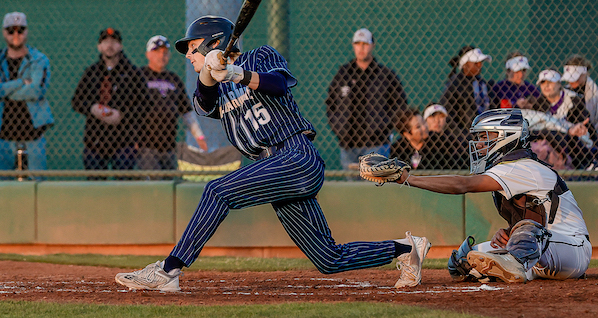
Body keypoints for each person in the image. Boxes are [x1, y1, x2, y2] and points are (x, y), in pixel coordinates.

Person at [115, 16, 429, 291]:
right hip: (272, 167)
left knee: (217, 190)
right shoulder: (216, 82)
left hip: (295, 155)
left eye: (193, 46)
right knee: (328, 258)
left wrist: (237, 73)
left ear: (214, 42)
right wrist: (211, 73)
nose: (188, 55)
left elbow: (279, 84)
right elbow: (203, 104)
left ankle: (168, 270)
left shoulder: (258, 56)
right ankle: (406, 248)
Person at [389, 109, 591, 283]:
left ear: (507, 137)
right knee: (462, 260)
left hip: (572, 249)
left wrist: (409, 178)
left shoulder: (524, 166)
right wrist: (511, 233)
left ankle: (513, 263)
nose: (478, 144)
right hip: (542, 253)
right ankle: (513, 261)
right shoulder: (509, 168)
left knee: (528, 233)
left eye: (486, 137)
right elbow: (539, 216)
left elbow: (462, 184)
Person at [326, 28, 408, 169]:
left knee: (373, 185)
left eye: (365, 44)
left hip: (377, 143)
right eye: (357, 44)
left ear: (372, 46)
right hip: (348, 145)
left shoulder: (386, 75)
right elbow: (331, 104)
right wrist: (339, 128)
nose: (361, 48)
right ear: (353, 46)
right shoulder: (343, 74)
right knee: (352, 188)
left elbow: (399, 104)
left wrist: (384, 128)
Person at [71, 28, 148, 177]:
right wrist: (92, 108)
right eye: (105, 42)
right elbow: (77, 101)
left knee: (122, 185)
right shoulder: (91, 72)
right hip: (95, 140)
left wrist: (122, 115)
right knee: (95, 185)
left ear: (120, 46)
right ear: (99, 47)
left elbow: (145, 104)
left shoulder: (133, 73)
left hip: (124, 140)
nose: (109, 45)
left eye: (114, 42)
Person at [138, 35, 207, 176]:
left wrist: (199, 137)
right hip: (145, 146)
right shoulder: (139, 76)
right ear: (148, 54)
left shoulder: (174, 79)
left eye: (165, 52)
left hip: (169, 146)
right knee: (154, 185)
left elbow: (186, 112)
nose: (161, 56)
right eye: (157, 52)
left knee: (170, 183)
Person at [0, 12, 54, 176]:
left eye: (20, 30)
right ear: (4, 32)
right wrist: (21, 82)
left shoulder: (39, 60)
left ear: (26, 31)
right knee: (3, 189)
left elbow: (36, 90)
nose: (16, 35)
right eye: (11, 31)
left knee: (37, 186)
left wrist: (4, 91)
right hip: (3, 137)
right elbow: (28, 87)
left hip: (33, 135)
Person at [531, 69, 596, 169]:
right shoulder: (538, 104)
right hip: (550, 142)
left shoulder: (574, 100)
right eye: (543, 83)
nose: (546, 86)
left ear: (559, 84)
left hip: (574, 142)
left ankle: (587, 165)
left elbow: (583, 127)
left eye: (550, 82)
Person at [440, 45, 493, 138]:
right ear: (465, 65)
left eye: (480, 62)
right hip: (465, 137)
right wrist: (465, 136)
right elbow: (448, 114)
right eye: (476, 63)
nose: (480, 65)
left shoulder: (482, 83)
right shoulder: (455, 85)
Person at [391, 107, 465, 170]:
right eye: (418, 127)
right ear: (407, 134)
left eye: (423, 122)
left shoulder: (441, 142)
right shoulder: (398, 150)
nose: (424, 127)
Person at [560, 54, 598, 134]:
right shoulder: (565, 91)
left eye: (575, 77)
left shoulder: (596, 95)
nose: (571, 81)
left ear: (585, 73)